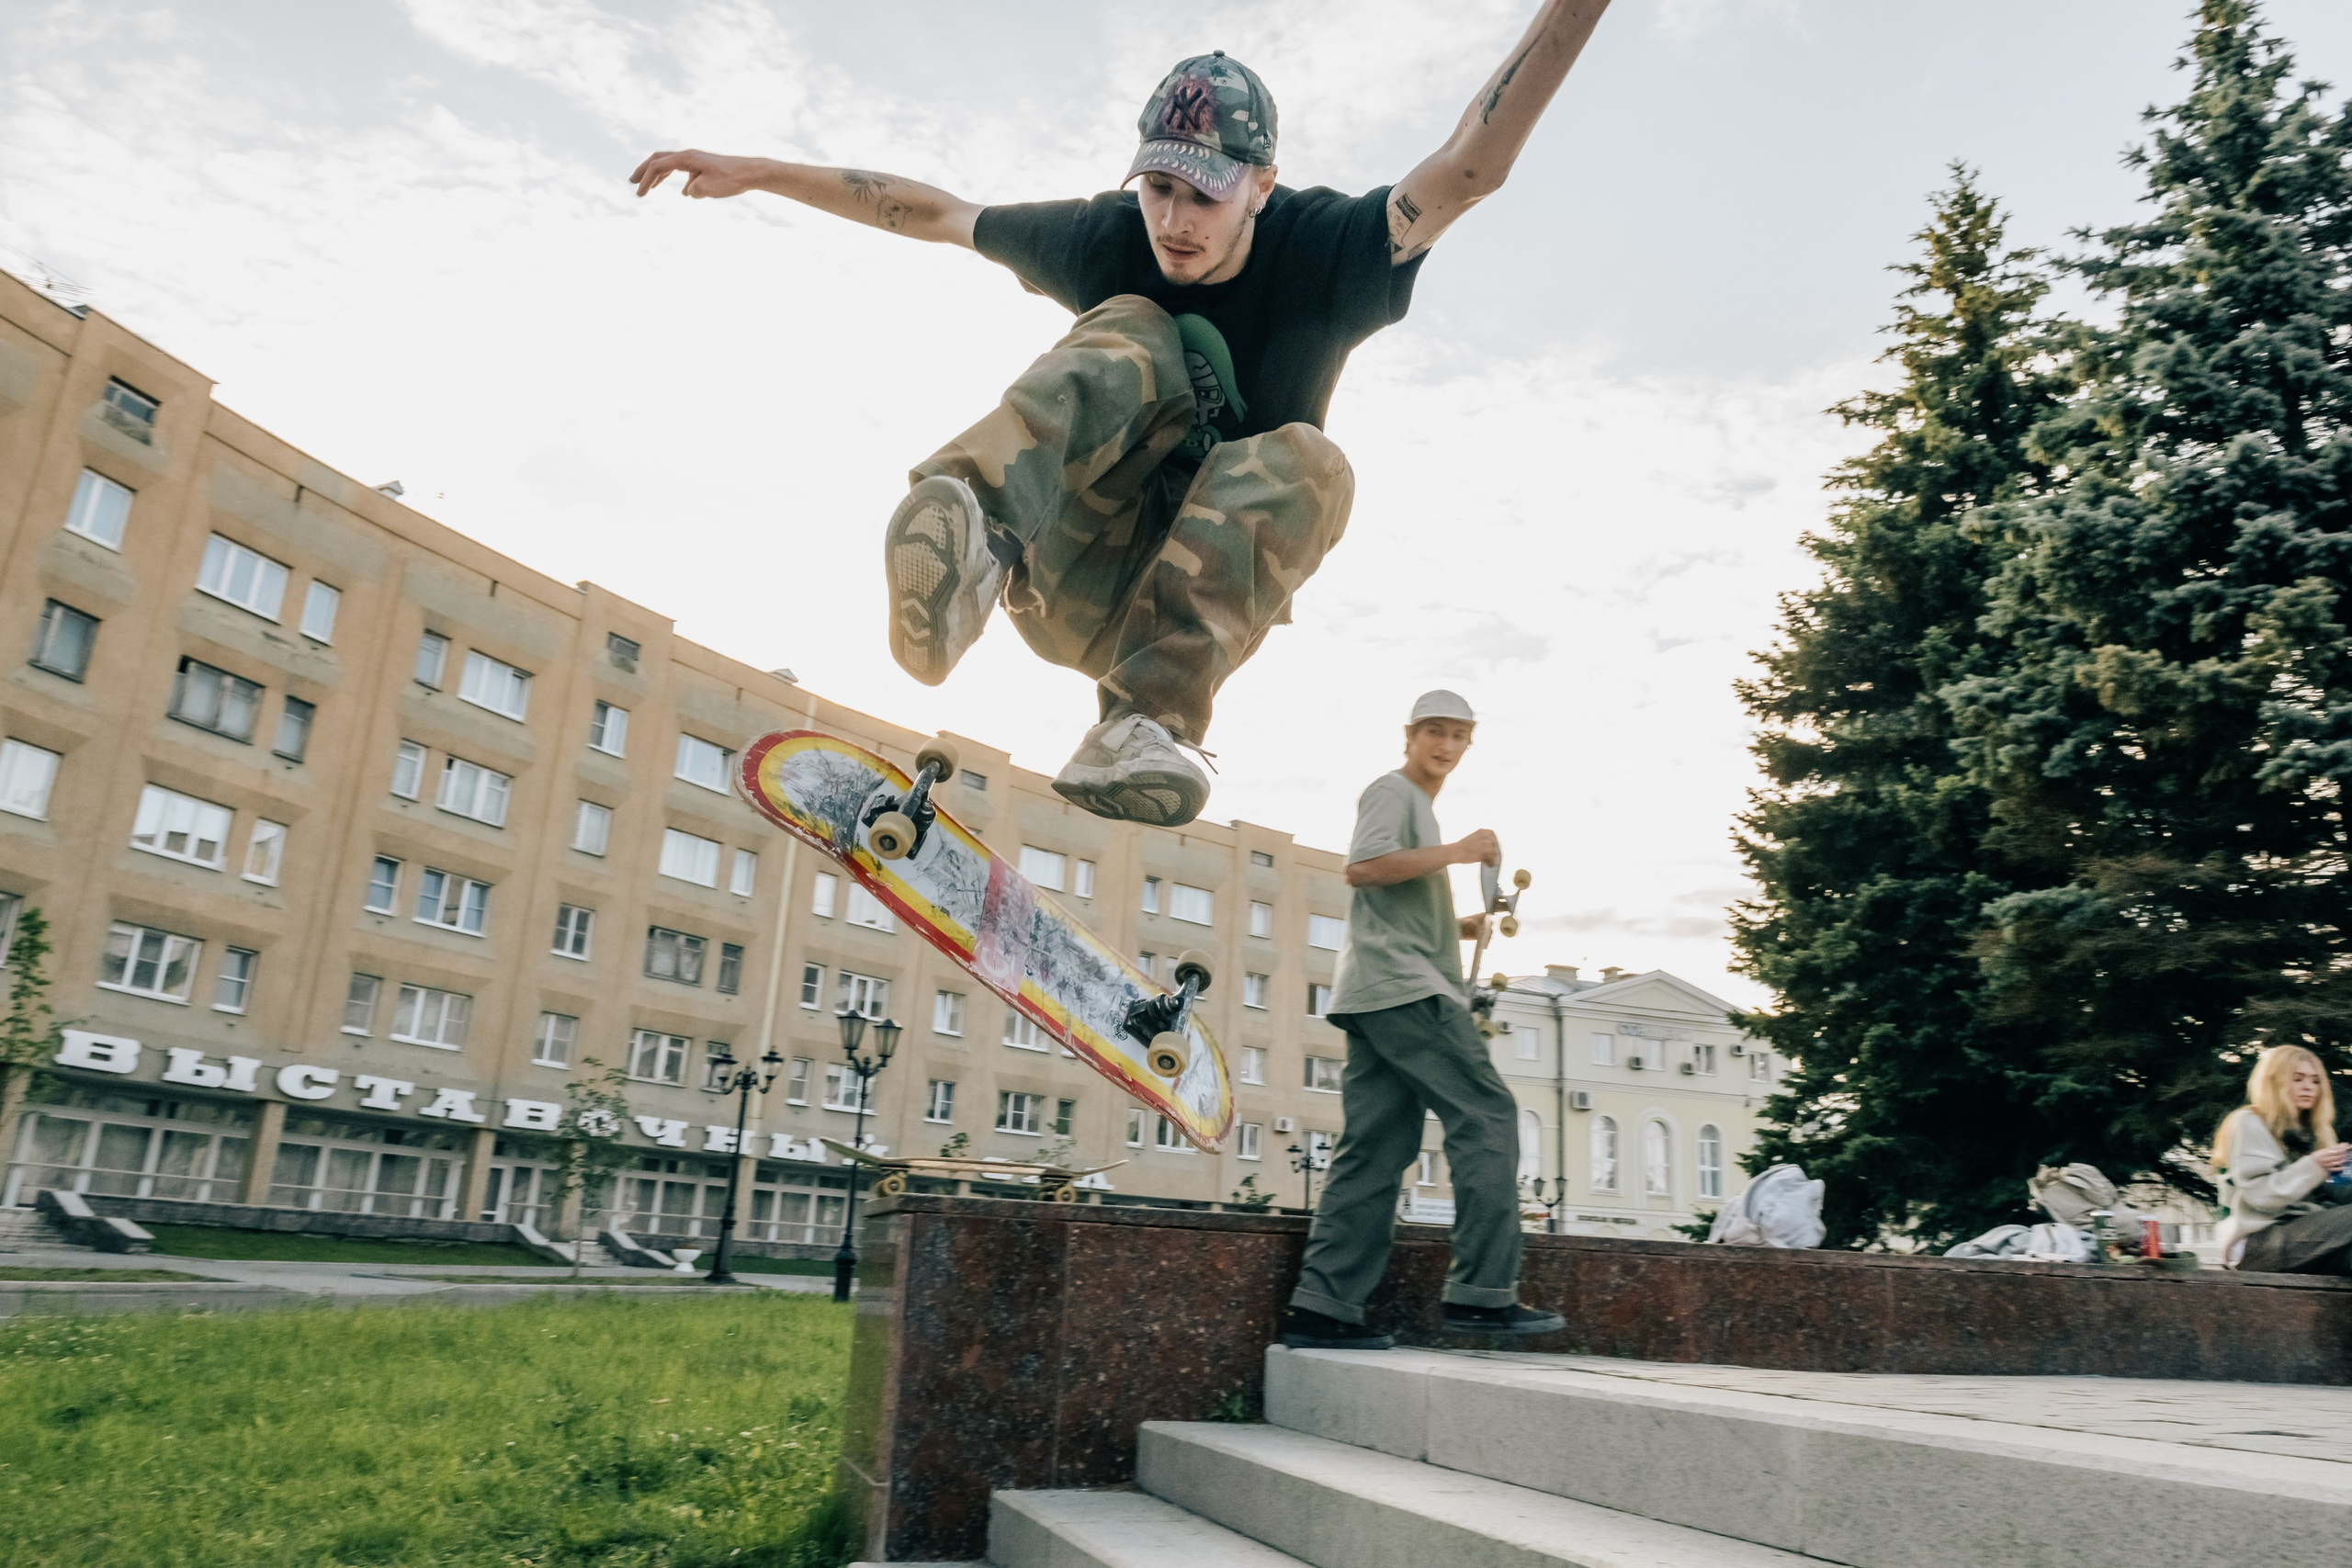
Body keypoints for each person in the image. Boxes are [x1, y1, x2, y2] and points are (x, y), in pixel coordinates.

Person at [629, 2, 1613, 826]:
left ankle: (1144, 728)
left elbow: (1467, 169)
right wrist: (759, 170)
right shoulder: (1107, 237)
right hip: (1066, 579)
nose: (1175, 223)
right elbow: (936, 213)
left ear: (1262, 186)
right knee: (1136, 325)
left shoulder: (1327, 251)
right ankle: (969, 533)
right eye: (1160, 190)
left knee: (1312, 460)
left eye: (1207, 198)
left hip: (1180, 613)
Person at [1278, 690, 1566, 1348]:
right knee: (1488, 1113)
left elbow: (1394, 898)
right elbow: (1365, 868)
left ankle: (1321, 1309)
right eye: (1434, 731)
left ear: (1469, 743)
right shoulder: (1393, 792)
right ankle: (1482, 1294)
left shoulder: (1422, 813)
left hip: (1373, 993)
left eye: (1458, 734)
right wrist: (1462, 852)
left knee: (1374, 1149)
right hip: (1406, 990)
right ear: (1409, 734)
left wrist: (1460, 923)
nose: (1445, 745)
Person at [2214, 1044, 2352, 1274]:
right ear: (2274, 1082)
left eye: (2316, 1081)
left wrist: (2345, 1170)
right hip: (2257, 1242)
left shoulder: (2318, 1133)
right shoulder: (2248, 1121)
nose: (2308, 1087)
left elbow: (2339, 1193)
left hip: (2309, 1239)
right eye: (2297, 1079)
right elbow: (2261, 1195)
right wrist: (2314, 1166)